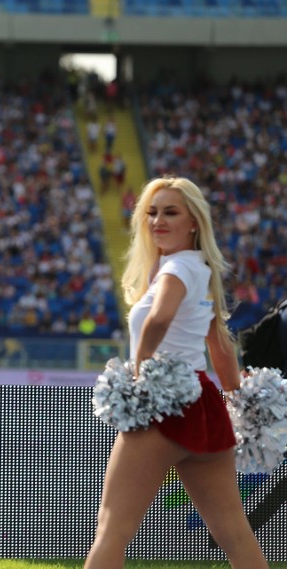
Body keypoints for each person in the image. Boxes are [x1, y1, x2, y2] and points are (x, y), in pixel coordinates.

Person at [84, 176, 268, 568]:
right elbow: (220, 343)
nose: (157, 220)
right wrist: (237, 396)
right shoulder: (200, 267)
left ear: (194, 222)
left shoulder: (178, 269)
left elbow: (158, 320)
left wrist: (138, 375)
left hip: (165, 408)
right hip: (205, 407)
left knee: (112, 529)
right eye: (151, 212)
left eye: (170, 212)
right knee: (235, 534)